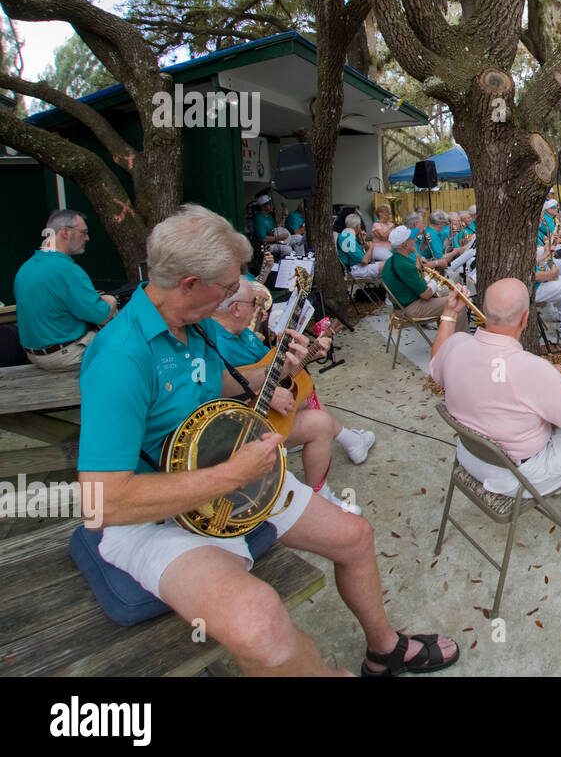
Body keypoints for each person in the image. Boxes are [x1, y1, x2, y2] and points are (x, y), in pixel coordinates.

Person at [77, 204, 458, 675]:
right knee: (260, 627)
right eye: (229, 285)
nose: (236, 294)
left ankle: (384, 650)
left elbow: (212, 385)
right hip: (156, 518)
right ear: (191, 285)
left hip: (226, 477)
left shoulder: (190, 325)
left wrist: (275, 371)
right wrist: (231, 474)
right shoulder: (120, 357)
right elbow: (102, 501)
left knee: (355, 536)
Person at [430, 278, 561, 540]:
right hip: (516, 476)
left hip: (470, 457)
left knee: (540, 412)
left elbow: (436, 363)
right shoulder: (533, 370)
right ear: (525, 320)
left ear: (483, 311)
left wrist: (449, 314)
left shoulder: (456, 345)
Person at [210, 280, 373, 513]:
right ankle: (322, 494)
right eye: (255, 303)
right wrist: (258, 395)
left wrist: (309, 355)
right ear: (235, 309)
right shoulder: (214, 344)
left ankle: (350, 441)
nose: (262, 309)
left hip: (268, 413)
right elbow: (210, 397)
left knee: (304, 393)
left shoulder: (241, 333)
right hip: (245, 431)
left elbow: (276, 371)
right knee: (320, 423)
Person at [14, 210, 119, 370]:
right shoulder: (66, 269)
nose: (87, 238)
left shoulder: (26, 268)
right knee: (127, 339)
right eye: (83, 233)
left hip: (34, 355)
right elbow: (100, 314)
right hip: (63, 355)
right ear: (65, 232)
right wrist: (111, 301)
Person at [381, 226, 470, 330]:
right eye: (412, 239)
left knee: (450, 295)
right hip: (410, 309)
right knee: (457, 303)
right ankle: (460, 342)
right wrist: (434, 280)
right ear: (405, 245)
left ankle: (446, 337)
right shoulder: (404, 265)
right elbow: (426, 294)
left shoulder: (392, 260)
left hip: (402, 306)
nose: (414, 240)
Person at [336, 213, 383, 280]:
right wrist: (371, 247)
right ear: (358, 226)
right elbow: (364, 261)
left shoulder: (344, 234)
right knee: (388, 265)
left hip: (353, 268)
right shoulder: (350, 239)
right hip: (355, 270)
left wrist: (362, 242)